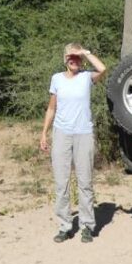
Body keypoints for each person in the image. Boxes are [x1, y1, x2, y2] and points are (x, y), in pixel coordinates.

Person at [40, 42, 106, 242]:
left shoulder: (87, 77)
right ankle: (65, 225)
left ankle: (87, 226)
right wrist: (44, 133)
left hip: (84, 134)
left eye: (77, 58)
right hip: (61, 134)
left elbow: (103, 69)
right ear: (64, 60)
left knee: (85, 182)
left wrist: (84, 52)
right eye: (70, 57)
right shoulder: (57, 79)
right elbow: (52, 108)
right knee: (61, 182)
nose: (74, 60)